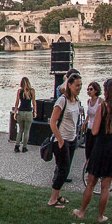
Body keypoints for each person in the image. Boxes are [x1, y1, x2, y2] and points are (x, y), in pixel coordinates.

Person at [73, 78, 112, 223]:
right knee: (106, 186)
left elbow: (95, 130)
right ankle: (100, 216)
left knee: (91, 182)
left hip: (101, 146)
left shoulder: (103, 107)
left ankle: (82, 212)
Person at [47, 71, 82, 208]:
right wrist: (60, 140)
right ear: (70, 85)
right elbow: (52, 122)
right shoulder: (62, 100)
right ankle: (52, 200)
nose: (79, 88)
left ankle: (58, 195)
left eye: (80, 85)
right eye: (77, 85)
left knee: (65, 169)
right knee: (63, 170)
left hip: (72, 139)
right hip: (61, 140)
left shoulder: (77, 100)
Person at [13, 77, 37, 153]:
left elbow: (17, 102)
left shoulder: (19, 91)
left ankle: (17, 146)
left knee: (20, 130)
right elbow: (34, 102)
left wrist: (15, 112)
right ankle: (24, 147)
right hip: (28, 112)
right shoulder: (32, 91)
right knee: (27, 131)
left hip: (21, 111)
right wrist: (35, 111)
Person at [83, 81, 103, 161]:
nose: (89, 91)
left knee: (96, 151)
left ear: (96, 90)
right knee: (88, 150)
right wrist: (84, 123)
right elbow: (89, 114)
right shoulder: (89, 101)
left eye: (91, 89)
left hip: (97, 129)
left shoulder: (100, 101)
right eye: (88, 89)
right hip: (89, 128)